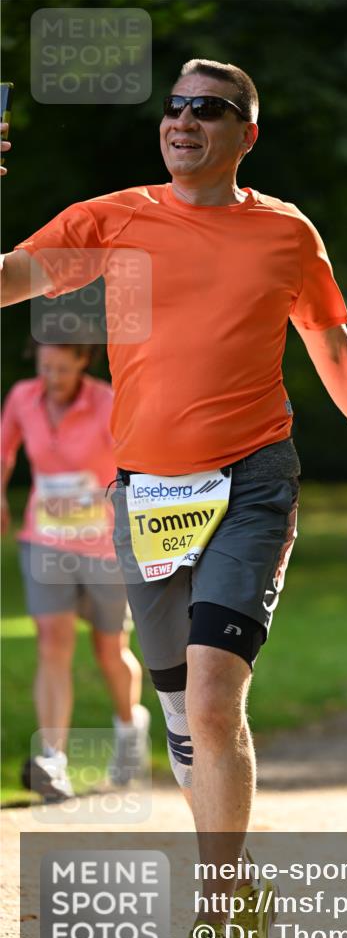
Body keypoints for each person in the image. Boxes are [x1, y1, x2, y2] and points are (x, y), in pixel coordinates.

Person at [1, 59, 347, 938]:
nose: (183, 120)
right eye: (175, 107)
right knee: (180, 722)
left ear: (246, 134)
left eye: (209, 109)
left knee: (210, 697)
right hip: (143, 493)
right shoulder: (111, 219)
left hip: (251, 483)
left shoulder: (284, 231)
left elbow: (328, 340)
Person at [0, 342, 149, 800]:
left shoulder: (106, 402)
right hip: (44, 540)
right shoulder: (23, 398)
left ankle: (129, 730)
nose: (52, 378)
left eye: (62, 369)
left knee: (110, 647)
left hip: (104, 546)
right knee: (53, 641)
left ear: (83, 362)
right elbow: (3, 451)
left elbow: (134, 463)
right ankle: (54, 760)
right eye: (45, 367)